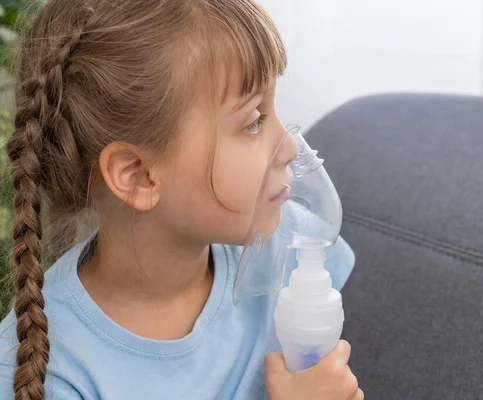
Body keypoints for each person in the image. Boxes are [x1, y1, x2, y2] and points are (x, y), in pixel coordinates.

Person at [0, 0, 361, 399]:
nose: (290, 145)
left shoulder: (291, 242)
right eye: (253, 122)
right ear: (138, 174)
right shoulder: (44, 372)